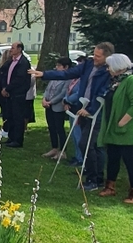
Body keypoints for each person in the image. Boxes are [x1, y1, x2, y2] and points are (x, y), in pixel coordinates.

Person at [31, 42, 114, 190]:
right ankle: (91, 172)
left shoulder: (109, 71)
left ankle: (95, 179)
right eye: (94, 54)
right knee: (88, 144)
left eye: (98, 56)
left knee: (89, 144)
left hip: (96, 112)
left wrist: (91, 109)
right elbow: (67, 74)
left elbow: (103, 93)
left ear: (107, 57)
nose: (94, 58)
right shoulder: (88, 64)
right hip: (82, 108)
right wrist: (44, 74)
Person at [97, 54, 133, 203]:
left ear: (118, 66)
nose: (107, 69)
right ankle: (110, 187)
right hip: (112, 129)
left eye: (109, 66)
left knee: (130, 161)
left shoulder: (130, 80)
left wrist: (123, 121)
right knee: (112, 159)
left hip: (127, 131)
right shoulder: (115, 81)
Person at [0, 41, 31, 147]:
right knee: (10, 116)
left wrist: (8, 89)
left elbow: (19, 79)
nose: (11, 49)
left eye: (13, 48)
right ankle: (11, 137)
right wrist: (4, 88)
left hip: (18, 94)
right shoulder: (11, 61)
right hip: (9, 93)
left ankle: (18, 140)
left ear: (19, 49)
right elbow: (4, 74)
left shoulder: (23, 62)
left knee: (18, 117)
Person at [41, 57, 72, 159]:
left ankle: (62, 151)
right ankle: (54, 148)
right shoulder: (54, 77)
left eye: (59, 66)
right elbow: (48, 89)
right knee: (51, 127)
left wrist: (51, 102)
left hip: (58, 107)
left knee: (59, 128)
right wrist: (44, 99)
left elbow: (62, 93)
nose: (56, 67)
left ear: (66, 67)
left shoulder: (68, 79)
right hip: (48, 106)